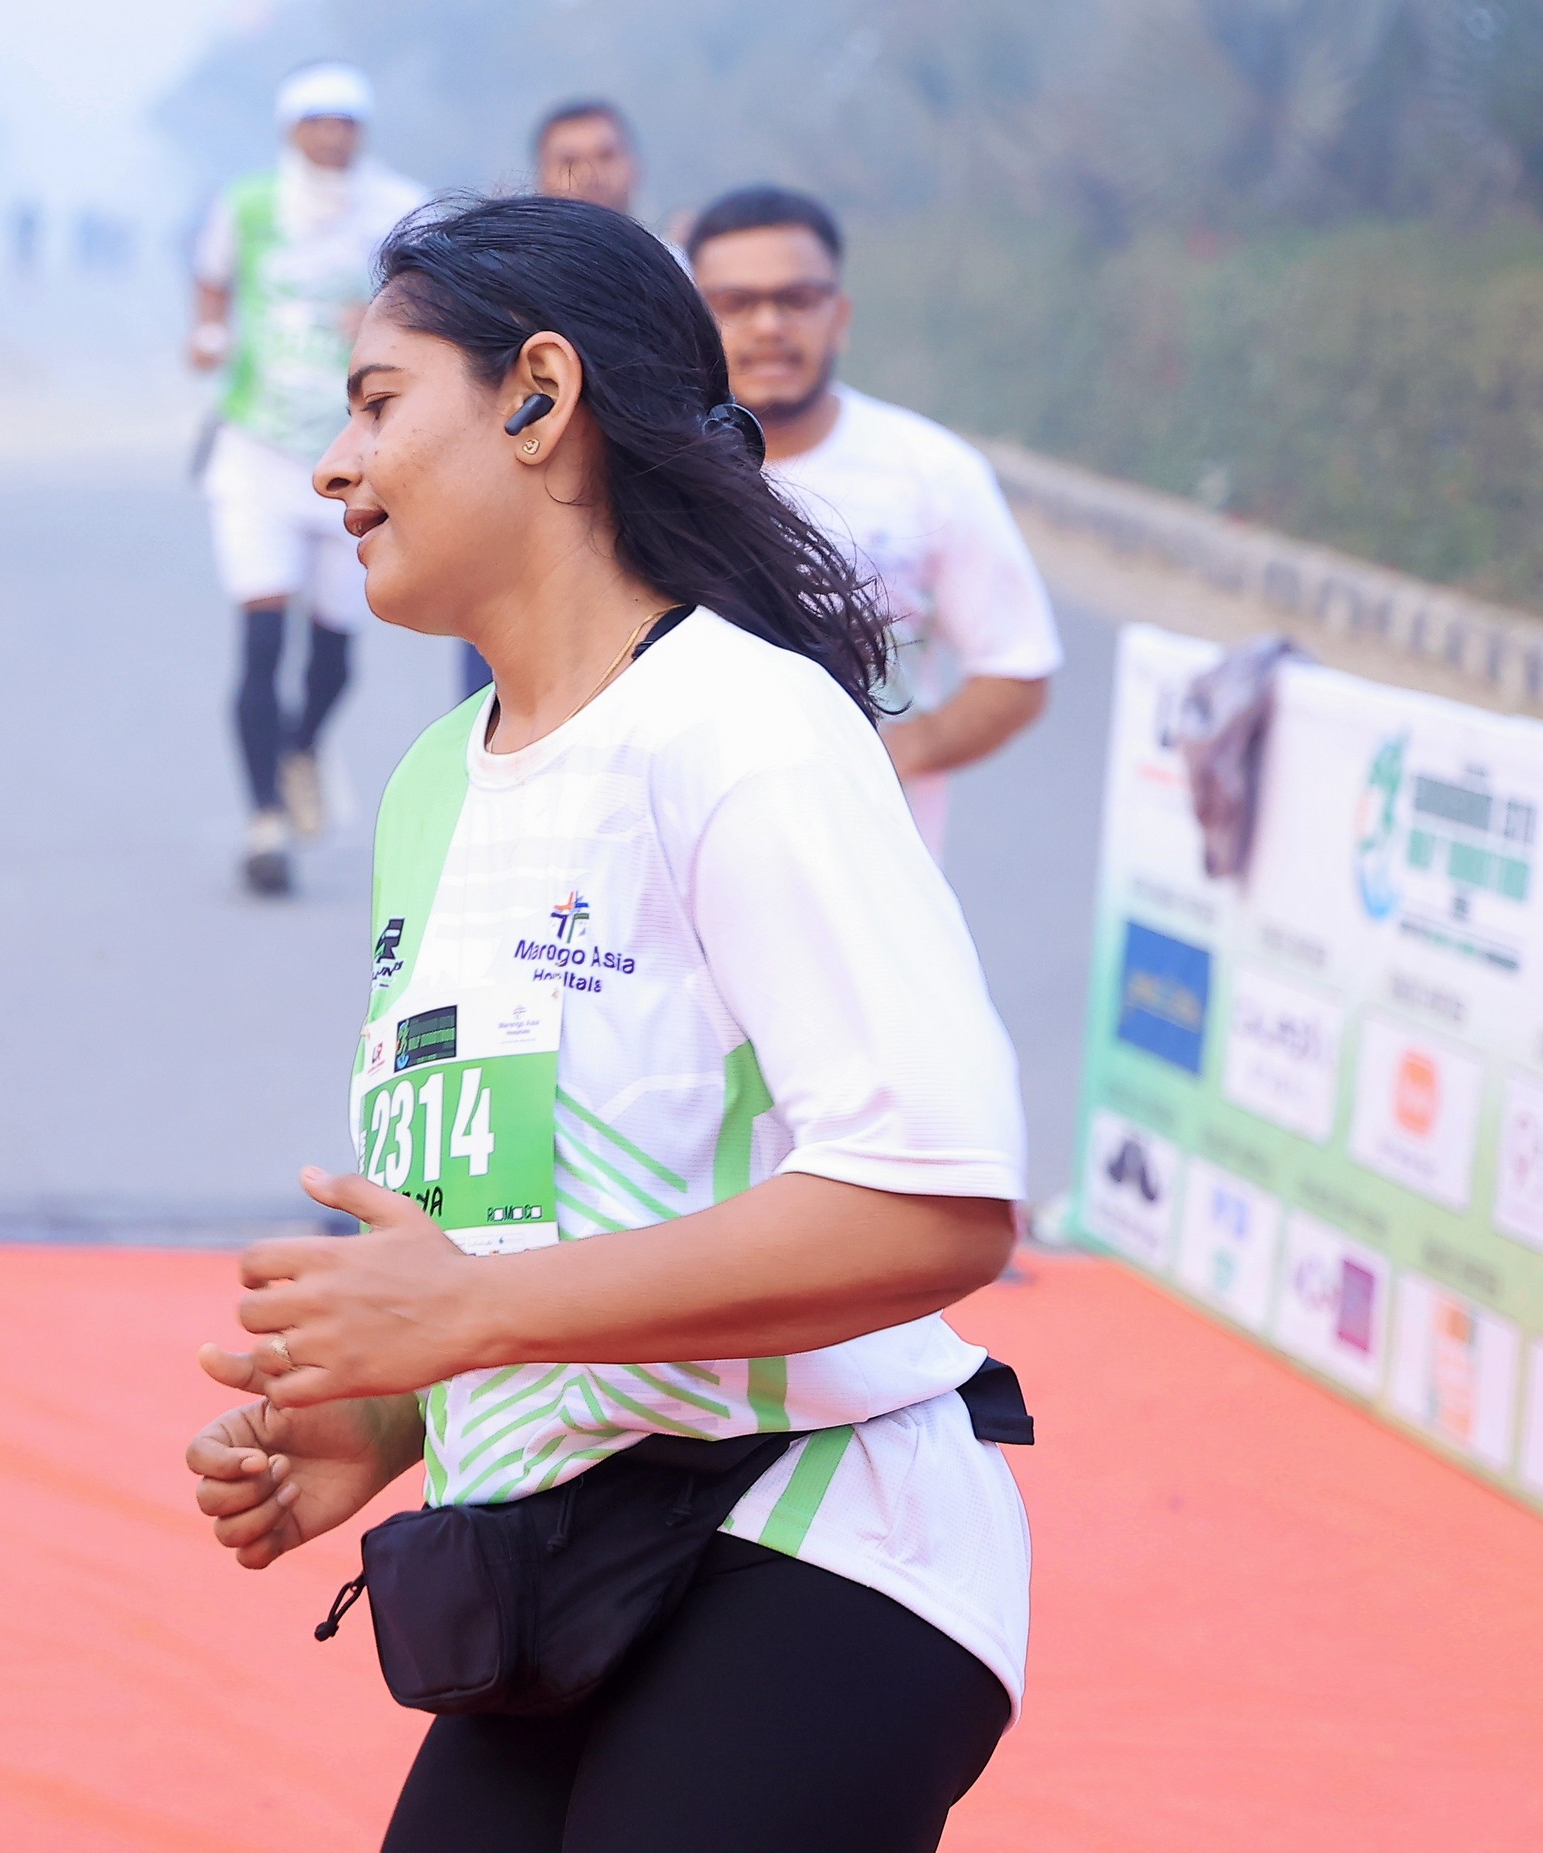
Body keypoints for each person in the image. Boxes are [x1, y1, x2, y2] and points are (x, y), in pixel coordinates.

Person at [181, 195, 1030, 1852]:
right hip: (559, 1559)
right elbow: (537, 1208)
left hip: (815, 1531)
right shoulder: (432, 781)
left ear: (537, 396)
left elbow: (936, 1198)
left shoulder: (743, 725)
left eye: (374, 402)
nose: (331, 469)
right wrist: (385, 1412)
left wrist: (467, 1314)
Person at [687, 185, 1061, 863]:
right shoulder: (650, 474)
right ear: (691, 319)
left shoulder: (931, 472)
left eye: (797, 298)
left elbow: (1017, 671)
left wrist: (886, 754)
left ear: (840, 316)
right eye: (735, 302)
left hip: (873, 876)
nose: (768, 325)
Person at [185, 60, 428, 897]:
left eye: (345, 121)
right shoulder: (248, 205)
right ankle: (264, 821)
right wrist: (208, 336)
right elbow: (212, 282)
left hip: (355, 454)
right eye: (316, 121)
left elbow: (441, 307)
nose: (332, 135)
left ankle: (300, 746)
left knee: (334, 655)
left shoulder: (396, 208)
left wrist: (386, 321)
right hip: (256, 446)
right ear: (290, 129)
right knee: (259, 640)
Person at [463, 96, 662, 700]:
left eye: (606, 154)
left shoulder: (680, 278)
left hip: (643, 535)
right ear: (541, 175)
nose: (590, 173)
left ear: (635, 166)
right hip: (513, 536)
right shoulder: (494, 285)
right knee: (500, 717)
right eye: (569, 159)